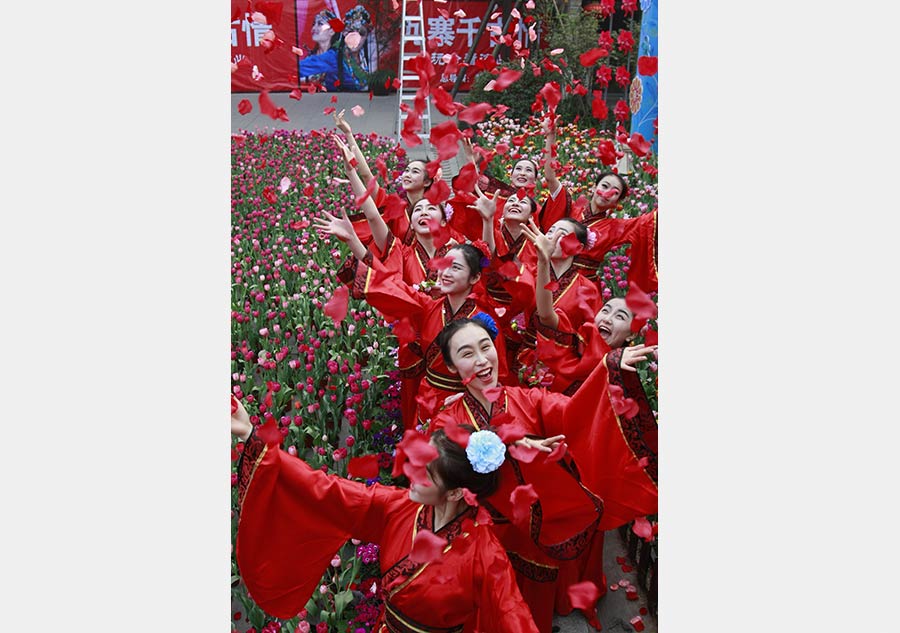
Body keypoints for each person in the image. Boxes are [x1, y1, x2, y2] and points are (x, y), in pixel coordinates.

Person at [232, 397, 541, 632]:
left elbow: (512, 614)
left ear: (456, 492)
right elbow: (325, 489)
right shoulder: (401, 506)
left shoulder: (485, 554)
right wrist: (251, 435)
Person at [429, 318, 614, 632]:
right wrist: (509, 441)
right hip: (483, 536)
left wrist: (613, 368)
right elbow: (447, 461)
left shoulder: (529, 399)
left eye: (486, 347)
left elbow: (575, 412)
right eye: (466, 353)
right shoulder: (447, 418)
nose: (481, 359)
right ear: (451, 366)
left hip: (532, 532)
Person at [298, 10, 366, 91]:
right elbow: (298, 69)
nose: (314, 28)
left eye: (320, 24)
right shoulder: (331, 55)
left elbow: (296, 69)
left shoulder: (334, 56)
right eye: (313, 24)